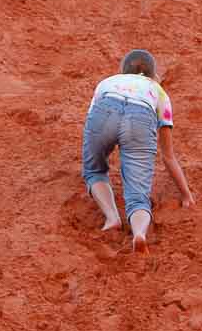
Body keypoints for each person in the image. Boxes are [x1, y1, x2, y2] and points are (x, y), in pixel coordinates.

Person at [82, 49, 194, 254]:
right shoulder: (158, 91)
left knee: (94, 170)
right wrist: (186, 195)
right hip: (141, 117)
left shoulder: (108, 81)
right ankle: (139, 234)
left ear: (123, 70)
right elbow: (168, 156)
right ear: (153, 74)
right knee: (138, 195)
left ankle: (112, 217)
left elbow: (91, 122)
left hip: (105, 108)